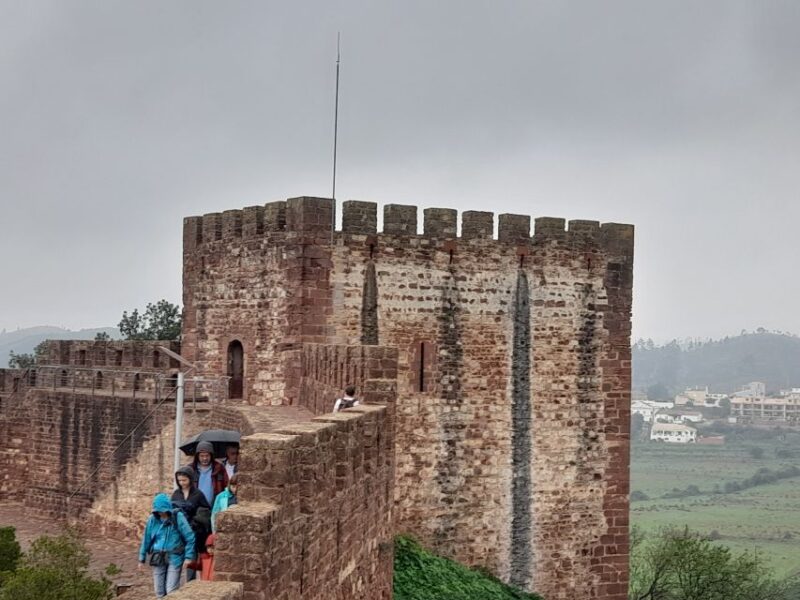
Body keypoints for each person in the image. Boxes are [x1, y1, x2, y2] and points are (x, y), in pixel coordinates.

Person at [138, 493, 195, 598]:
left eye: (162, 510)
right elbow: (146, 538)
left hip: (175, 557)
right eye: (158, 511)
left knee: (171, 590)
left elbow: (190, 537)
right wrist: (141, 558)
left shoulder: (178, 517)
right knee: (159, 591)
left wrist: (188, 557)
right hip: (158, 557)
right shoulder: (152, 519)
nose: (160, 513)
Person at [170, 466, 210, 583]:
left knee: (192, 557)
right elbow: (172, 511)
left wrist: (195, 522)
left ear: (191, 479)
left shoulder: (198, 494)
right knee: (178, 557)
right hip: (180, 531)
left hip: (195, 531)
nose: (182, 483)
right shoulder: (176, 494)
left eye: (184, 480)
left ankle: (191, 583)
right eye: (179, 480)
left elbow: (205, 510)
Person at [189, 441, 228, 507]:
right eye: (202, 456)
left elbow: (226, 485)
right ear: (197, 456)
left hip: (215, 505)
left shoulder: (219, 468)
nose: (205, 458)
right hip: (195, 506)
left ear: (211, 455)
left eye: (207, 455)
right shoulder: (191, 469)